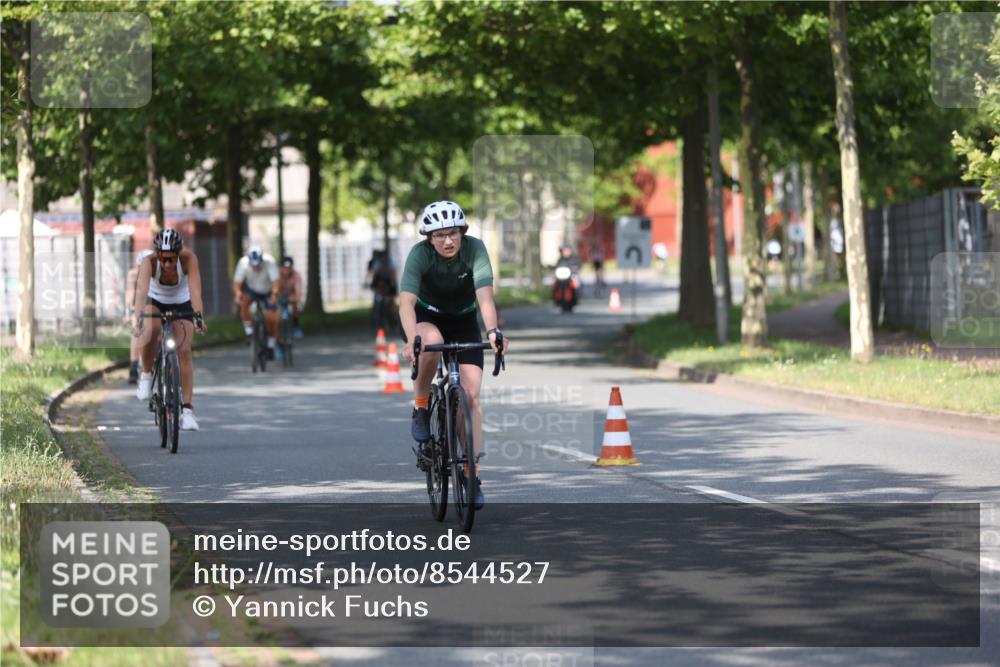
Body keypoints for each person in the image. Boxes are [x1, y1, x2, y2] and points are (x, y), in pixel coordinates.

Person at [400, 200, 508, 510]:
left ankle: (469, 472)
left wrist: (492, 332)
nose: (448, 241)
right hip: (426, 317)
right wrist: (411, 341)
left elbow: (485, 298)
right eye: (440, 235)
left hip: (463, 320)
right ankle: (421, 405)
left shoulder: (475, 250)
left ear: (462, 233)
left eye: (453, 233)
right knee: (430, 340)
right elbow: (405, 303)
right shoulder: (420, 255)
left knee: (470, 397)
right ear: (429, 238)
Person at [132, 229, 207, 431]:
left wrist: (198, 316)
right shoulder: (149, 262)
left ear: (178, 254)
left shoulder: (189, 259)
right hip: (155, 299)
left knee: (184, 351)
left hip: (181, 301)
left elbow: (196, 291)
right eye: (163, 259)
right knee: (152, 329)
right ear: (157, 255)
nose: (166, 264)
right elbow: (140, 292)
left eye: (171, 259)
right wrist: (137, 317)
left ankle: (188, 411)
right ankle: (146, 376)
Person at [232, 246, 280, 359]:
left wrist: (274, 295)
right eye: (253, 265)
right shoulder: (243, 263)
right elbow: (237, 283)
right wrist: (238, 294)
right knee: (243, 303)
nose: (256, 268)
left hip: (267, 290)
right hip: (252, 289)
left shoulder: (270, 262)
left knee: (272, 317)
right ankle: (249, 331)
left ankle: (271, 346)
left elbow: (276, 283)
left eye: (258, 265)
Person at [125, 248, 154, 384]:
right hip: (138, 306)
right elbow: (130, 294)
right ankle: (133, 367)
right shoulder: (133, 275)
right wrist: (128, 312)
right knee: (136, 332)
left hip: (154, 305)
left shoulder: (158, 274)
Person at [367, 249, 398, 333]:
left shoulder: (383, 263)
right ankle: (381, 325)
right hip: (381, 288)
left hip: (387, 287)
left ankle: (390, 324)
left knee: (389, 307)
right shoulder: (381, 263)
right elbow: (375, 275)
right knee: (380, 307)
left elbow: (392, 276)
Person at [277, 255, 304, 339]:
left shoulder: (296, 275)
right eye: (284, 268)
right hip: (279, 296)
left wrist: (296, 297)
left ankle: (296, 324)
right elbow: (274, 289)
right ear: (280, 267)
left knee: (296, 306)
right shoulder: (276, 274)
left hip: (291, 296)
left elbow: (298, 291)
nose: (287, 271)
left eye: (289, 268)